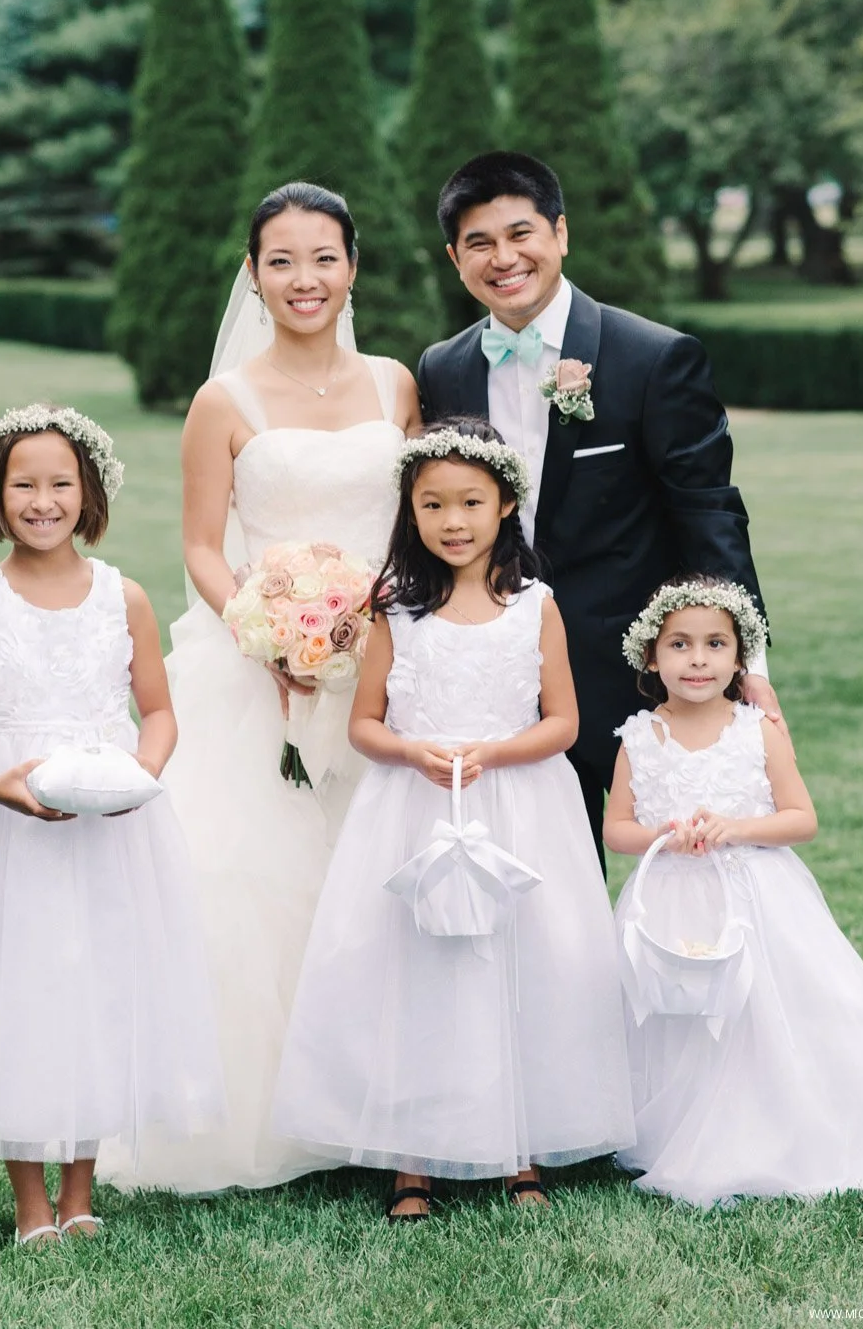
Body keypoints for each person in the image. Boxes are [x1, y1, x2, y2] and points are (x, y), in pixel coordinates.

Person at [100, 181, 421, 1195]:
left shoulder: (396, 386)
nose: (304, 279)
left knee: (382, 868)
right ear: (253, 273)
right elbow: (201, 543)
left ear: (353, 266)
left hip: (385, 659)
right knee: (249, 880)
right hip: (257, 666)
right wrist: (267, 630)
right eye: (281, 260)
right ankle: (260, 1112)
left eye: (323, 257)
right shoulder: (223, 401)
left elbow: (420, 523)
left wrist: (372, 621)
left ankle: (387, 1102)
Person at [272, 420, 635, 1219]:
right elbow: (365, 723)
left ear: (505, 503)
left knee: (522, 965)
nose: (453, 520)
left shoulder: (535, 605)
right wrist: (411, 750)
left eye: (471, 501)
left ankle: (520, 1147)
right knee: (419, 970)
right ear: (410, 509)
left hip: (518, 807)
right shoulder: (396, 609)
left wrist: (495, 752)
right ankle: (413, 1158)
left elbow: (563, 721)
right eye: (432, 503)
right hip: (415, 807)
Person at [0, 405, 224, 1246]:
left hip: (108, 827)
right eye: (23, 485)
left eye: (60, 483)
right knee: (23, 994)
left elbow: (157, 711)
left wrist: (141, 775)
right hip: (7, 833)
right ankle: (30, 1202)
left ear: (89, 491)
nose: (43, 501)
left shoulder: (123, 597)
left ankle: (81, 1192)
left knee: (97, 989)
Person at [417, 150, 775, 865]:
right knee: (521, 876)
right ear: (456, 259)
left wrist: (748, 657)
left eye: (521, 233)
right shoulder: (443, 368)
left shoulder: (654, 358)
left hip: (626, 669)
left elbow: (708, 513)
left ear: (560, 232)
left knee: (683, 872)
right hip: (495, 678)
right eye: (480, 243)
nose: (504, 258)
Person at [604, 575, 863, 1207]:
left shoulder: (759, 730)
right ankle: (674, 1128)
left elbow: (801, 818)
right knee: (680, 1016)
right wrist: (663, 836)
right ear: (651, 656)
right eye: (680, 644)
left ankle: (771, 1128)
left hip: (759, 898)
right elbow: (616, 829)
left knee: (759, 1011)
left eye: (716, 644)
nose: (698, 660)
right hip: (672, 899)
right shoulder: (641, 738)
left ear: (739, 659)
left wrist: (735, 828)